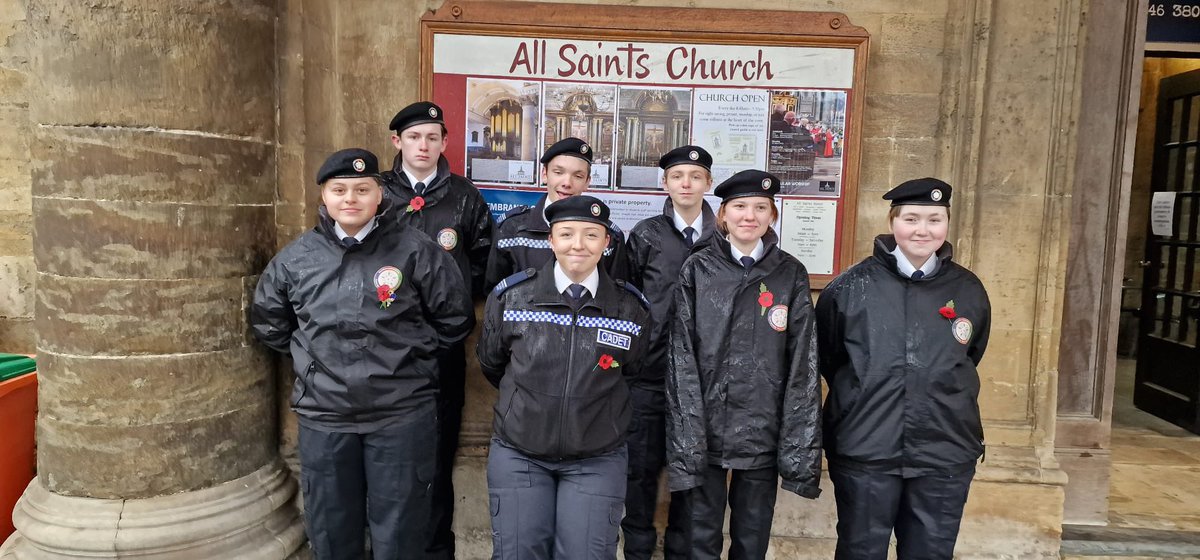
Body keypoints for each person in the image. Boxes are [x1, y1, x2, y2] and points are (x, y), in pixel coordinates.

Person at [251, 148, 475, 560]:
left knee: (402, 532)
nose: (350, 198)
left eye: (361, 189)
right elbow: (270, 321)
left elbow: (453, 318)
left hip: (401, 417)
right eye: (339, 190)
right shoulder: (297, 259)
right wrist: (314, 362)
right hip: (326, 417)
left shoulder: (415, 251)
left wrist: (410, 364)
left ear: (379, 195)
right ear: (324, 197)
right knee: (332, 531)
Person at [816, 178, 991, 560]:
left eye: (934, 219)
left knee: (930, 551)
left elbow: (970, 353)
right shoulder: (849, 287)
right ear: (893, 221)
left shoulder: (968, 289)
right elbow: (831, 360)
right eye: (911, 218)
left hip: (943, 450)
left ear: (947, 224)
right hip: (867, 447)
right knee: (860, 549)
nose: (922, 230)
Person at [478, 195, 651, 560]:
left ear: (606, 244)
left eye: (591, 235)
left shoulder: (629, 308)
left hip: (596, 458)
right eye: (567, 233)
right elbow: (493, 363)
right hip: (520, 454)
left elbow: (632, 370)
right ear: (551, 240)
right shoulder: (513, 298)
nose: (578, 244)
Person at [667, 170, 822, 560]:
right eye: (739, 207)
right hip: (706, 428)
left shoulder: (790, 273)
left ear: (772, 215)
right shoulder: (698, 269)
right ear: (723, 215)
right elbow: (680, 355)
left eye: (760, 208)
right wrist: (689, 432)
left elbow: (803, 360)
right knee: (699, 536)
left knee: (752, 537)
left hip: (762, 429)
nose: (749, 216)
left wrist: (796, 437)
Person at [380, 101, 494, 559]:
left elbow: (485, 261)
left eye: (431, 137)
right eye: (413, 137)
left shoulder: (464, 196)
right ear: (397, 142)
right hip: (385, 346)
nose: (423, 146)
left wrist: (457, 305)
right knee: (387, 453)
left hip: (443, 346)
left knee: (438, 449)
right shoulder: (376, 192)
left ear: (445, 142)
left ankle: (434, 550)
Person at [620, 145, 717, 560]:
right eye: (678, 176)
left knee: (694, 477)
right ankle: (638, 550)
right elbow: (626, 298)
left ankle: (681, 551)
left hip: (705, 378)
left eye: (695, 177)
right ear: (665, 183)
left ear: (708, 184)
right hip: (649, 375)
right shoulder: (646, 234)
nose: (686, 184)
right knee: (638, 472)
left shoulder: (724, 236)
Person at [485, 137, 628, 288]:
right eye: (558, 172)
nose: (567, 183)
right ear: (545, 174)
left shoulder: (610, 236)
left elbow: (617, 298)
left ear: (587, 182)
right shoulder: (511, 229)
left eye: (578, 176)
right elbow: (494, 296)